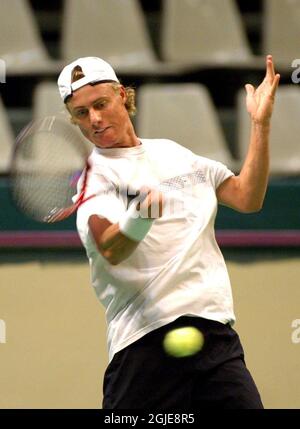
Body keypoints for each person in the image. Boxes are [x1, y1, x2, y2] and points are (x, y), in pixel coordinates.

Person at [57, 55, 280, 409]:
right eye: (82, 113)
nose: (95, 119)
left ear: (122, 96)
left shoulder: (175, 154)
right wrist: (139, 217)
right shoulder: (94, 179)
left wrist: (261, 125)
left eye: (100, 104)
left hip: (215, 336)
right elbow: (111, 248)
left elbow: (246, 196)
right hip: (144, 347)